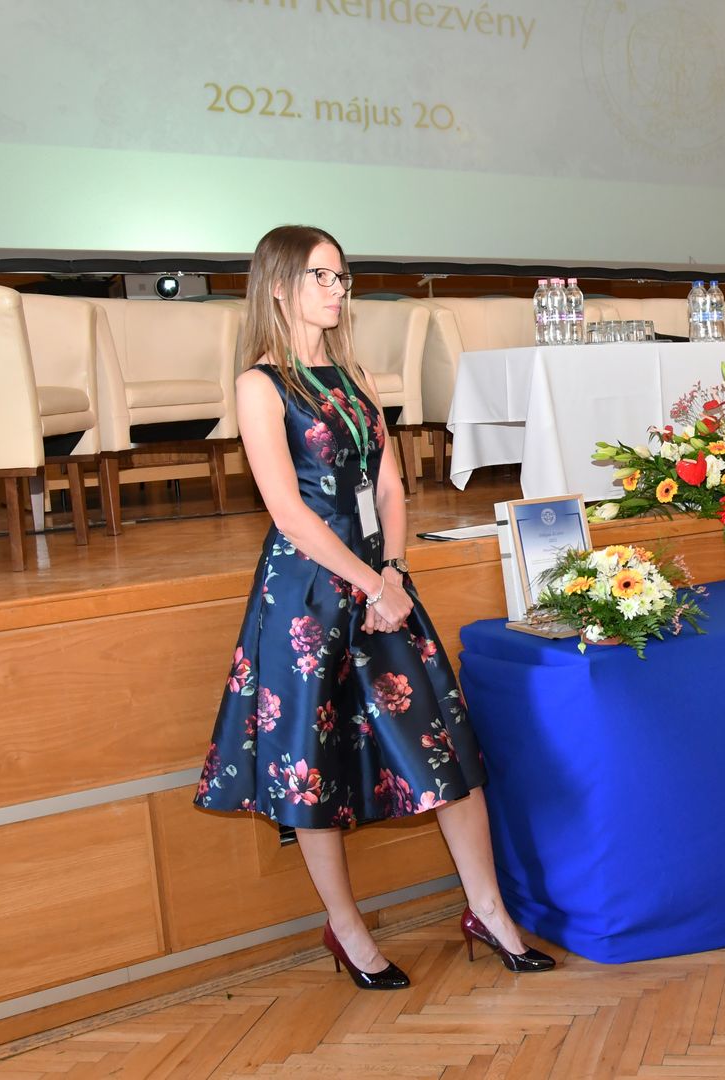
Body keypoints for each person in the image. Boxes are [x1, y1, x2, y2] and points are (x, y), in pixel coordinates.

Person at [194, 225, 555, 988]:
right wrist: (370, 582)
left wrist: (393, 569)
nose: (338, 290)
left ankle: (489, 911)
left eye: (342, 278)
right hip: (309, 594)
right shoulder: (260, 385)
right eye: (322, 277)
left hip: (381, 585)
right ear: (280, 287)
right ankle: (349, 931)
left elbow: (390, 486)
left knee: (447, 750)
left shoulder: (353, 374)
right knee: (311, 769)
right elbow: (289, 514)